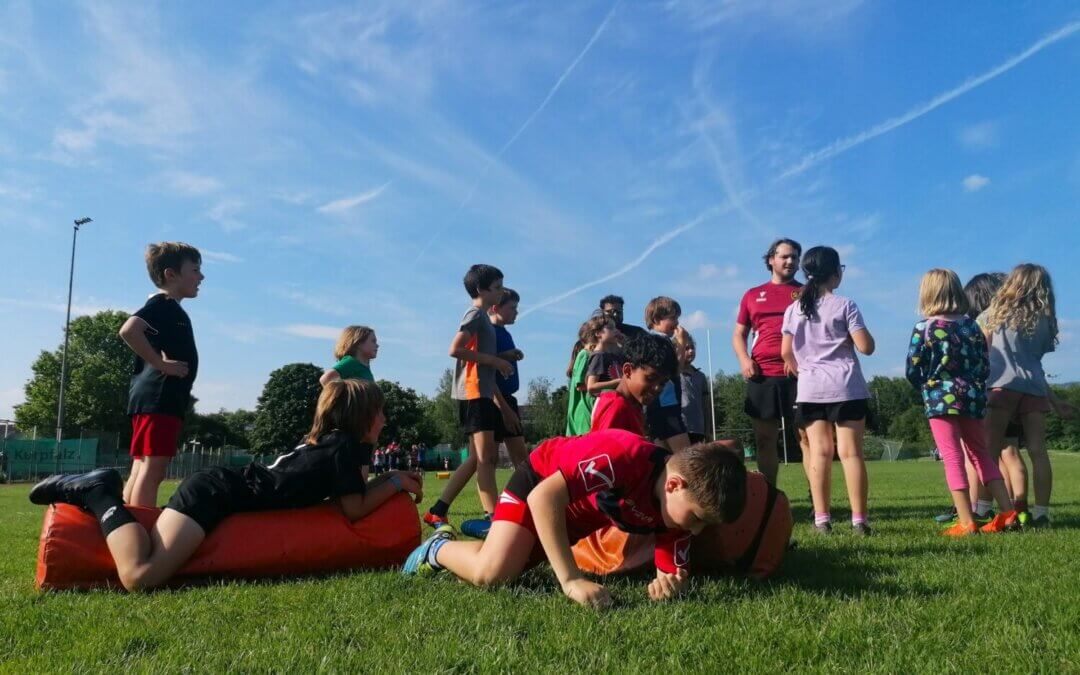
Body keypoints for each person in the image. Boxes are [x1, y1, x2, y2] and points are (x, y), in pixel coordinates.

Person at [29, 379, 423, 592]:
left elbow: (353, 495)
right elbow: (354, 509)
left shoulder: (332, 445)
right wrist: (395, 481)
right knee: (140, 575)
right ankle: (98, 493)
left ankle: (100, 493)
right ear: (361, 416)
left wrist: (392, 477)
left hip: (218, 489)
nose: (385, 420)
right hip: (215, 494)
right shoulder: (344, 450)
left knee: (145, 566)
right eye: (380, 412)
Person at [401, 429, 747, 609]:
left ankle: (488, 541)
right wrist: (570, 580)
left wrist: (668, 586)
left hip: (567, 519)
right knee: (492, 573)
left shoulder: (678, 511)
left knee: (507, 571)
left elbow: (671, 574)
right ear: (673, 484)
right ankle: (437, 548)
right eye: (697, 518)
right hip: (538, 485)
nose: (696, 530)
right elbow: (543, 497)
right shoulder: (624, 455)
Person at [905, 269, 1018, 535]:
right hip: (972, 397)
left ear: (927, 293)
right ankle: (1008, 513)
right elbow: (984, 364)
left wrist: (926, 385)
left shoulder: (925, 327)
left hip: (939, 399)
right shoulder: (972, 326)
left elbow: (913, 368)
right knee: (981, 454)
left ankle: (966, 522)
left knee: (952, 457)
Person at [781, 246, 873, 536]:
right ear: (835, 273)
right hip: (846, 386)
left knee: (819, 454)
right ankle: (859, 521)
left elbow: (785, 352)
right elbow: (866, 347)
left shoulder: (794, 309)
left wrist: (804, 370)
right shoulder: (845, 305)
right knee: (851, 454)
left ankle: (822, 520)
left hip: (811, 389)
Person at [981, 264, 1076, 527]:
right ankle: (1042, 512)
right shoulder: (1045, 322)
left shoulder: (994, 313)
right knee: (1038, 451)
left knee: (989, 449)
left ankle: (983, 507)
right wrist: (1056, 402)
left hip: (1001, 386)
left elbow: (982, 348)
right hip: (1034, 387)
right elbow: (1035, 363)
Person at [422, 264, 514, 529]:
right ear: (480, 289)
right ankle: (492, 518)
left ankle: (438, 510)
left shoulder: (484, 317)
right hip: (474, 393)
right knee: (486, 458)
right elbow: (455, 349)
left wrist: (501, 358)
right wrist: (495, 362)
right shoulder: (475, 314)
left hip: (482, 392)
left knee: (477, 459)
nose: (501, 292)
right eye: (497, 288)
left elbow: (478, 355)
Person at [118, 242, 204, 508]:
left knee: (142, 467)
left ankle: (126, 521)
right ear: (171, 274)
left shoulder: (167, 308)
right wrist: (161, 364)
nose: (201, 277)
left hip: (152, 400)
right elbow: (129, 330)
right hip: (160, 399)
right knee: (152, 470)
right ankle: (141, 525)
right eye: (195, 270)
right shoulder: (164, 305)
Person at [934, 273, 1021, 524]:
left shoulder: (977, 326)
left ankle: (972, 509)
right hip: (1014, 391)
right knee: (1004, 453)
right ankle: (1013, 507)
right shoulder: (1011, 326)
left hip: (983, 394)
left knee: (974, 453)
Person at [732, 238, 809, 487]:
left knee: (806, 438)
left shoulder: (807, 292)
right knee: (764, 440)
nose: (790, 261)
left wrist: (797, 359)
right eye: (785, 256)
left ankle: (817, 498)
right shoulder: (752, 295)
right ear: (771, 260)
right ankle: (768, 496)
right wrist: (744, 359)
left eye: (795, 257)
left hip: (799, 375)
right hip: (763, 375)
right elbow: (739, 334)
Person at [461, 288, 528, 539]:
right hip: (493, 399)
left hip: (507, 399)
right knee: (486, 459)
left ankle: (527, 502)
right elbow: (484, 370)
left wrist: (506, 355)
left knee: (521, 458)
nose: (516, 312)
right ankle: (491, 515)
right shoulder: (487, 330)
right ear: (496, 308)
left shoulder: (504, 333)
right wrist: (505, 409)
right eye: (512, 308)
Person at [591, 334, 678, 436]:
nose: (657, 388)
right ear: (628, 370)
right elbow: (606, 445)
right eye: (650, 378)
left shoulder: (633, 405)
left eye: (662, 383)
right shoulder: (617, 407)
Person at [643, 297, 691, 452]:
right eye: (673, 318)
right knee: (686, 456)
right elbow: (675, 370)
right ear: (657, 319)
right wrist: (682, 343)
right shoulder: (661, 342)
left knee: (664, 457)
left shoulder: (651, 341)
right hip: (666, 406)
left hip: (656, 407)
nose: (677, 323)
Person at [565, 315, 611, 436]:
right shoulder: (585, 354)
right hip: (584, 411)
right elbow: (580, 386)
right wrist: (607, 386)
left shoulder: (586, 354)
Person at [680, 332, 712, 444]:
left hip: (698, 429)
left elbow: (706, 406)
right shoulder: (673, 375)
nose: (691, 351)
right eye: (686, 348)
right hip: (680, 429)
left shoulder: (700, 376)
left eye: (692, 348)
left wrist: (707, 431)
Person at [584, 318, 624, 398]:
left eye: (615, 328)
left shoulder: (612, 355)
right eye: (611, 328)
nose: (616, 331)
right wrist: (618, 381)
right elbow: (591, 386)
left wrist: (622, 342)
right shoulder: (599, 356)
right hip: (606, 402)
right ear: (598, 333)